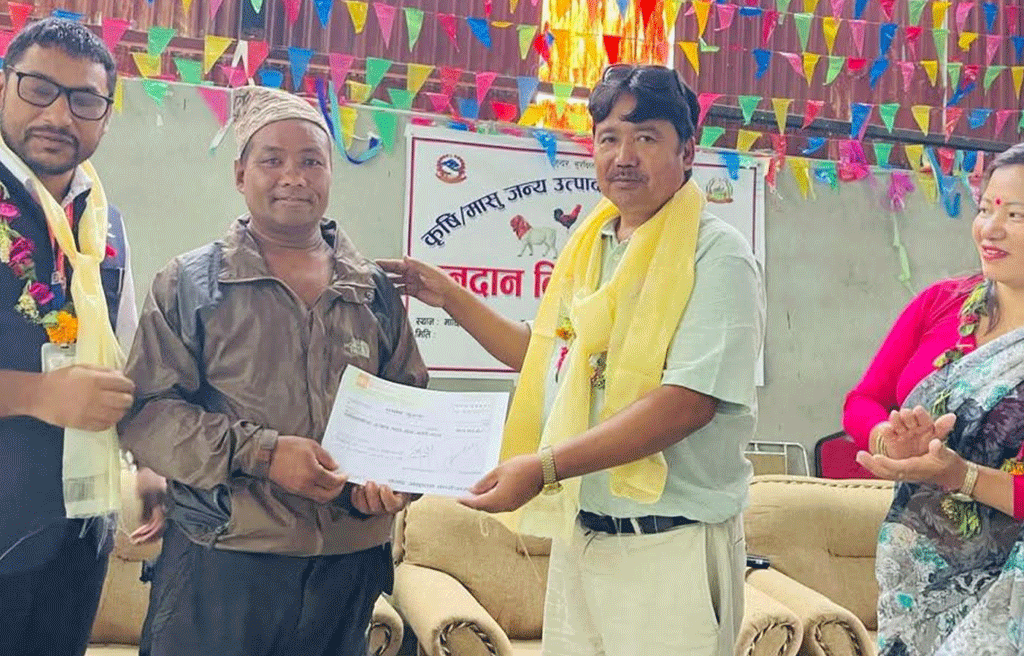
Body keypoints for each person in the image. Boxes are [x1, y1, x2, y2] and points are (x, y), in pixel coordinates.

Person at [382, 64, 765, 656]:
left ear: (687, 152)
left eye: (646, 137)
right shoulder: (593, 246)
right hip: (583, 536)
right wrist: (449, 296)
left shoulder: (717, 256)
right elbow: (547, 359)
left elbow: (687, 404)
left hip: (671, 547)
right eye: (609, 138)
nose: (624, 157)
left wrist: (544, 467)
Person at [118, 86, 428, 656]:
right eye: (272, 160)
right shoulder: (191, 285)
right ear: (240, 174)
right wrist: (262, 453)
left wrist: (392, 484)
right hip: (221, 561)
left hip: (346, 567)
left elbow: (409, 407)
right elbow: (147, 415)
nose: (293, 177)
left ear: (330, 174)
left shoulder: (371, 291)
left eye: (311, 161)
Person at [850, 143, 1024, 656]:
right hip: (918, 581)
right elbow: (864, 400)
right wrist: (890, 441)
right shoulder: (941, 304)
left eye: (1015, 215)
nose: (990, 229)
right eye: (986, 208)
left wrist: (959, 475)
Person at [0, 18, 138, 656]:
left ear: (105, 116)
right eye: (38, 89)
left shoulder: (106, 225)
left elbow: (127, 356)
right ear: (5, 85)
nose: (58, 114)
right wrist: (36, 395)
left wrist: (148, 464)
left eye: (84, 99)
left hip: (76, 535)